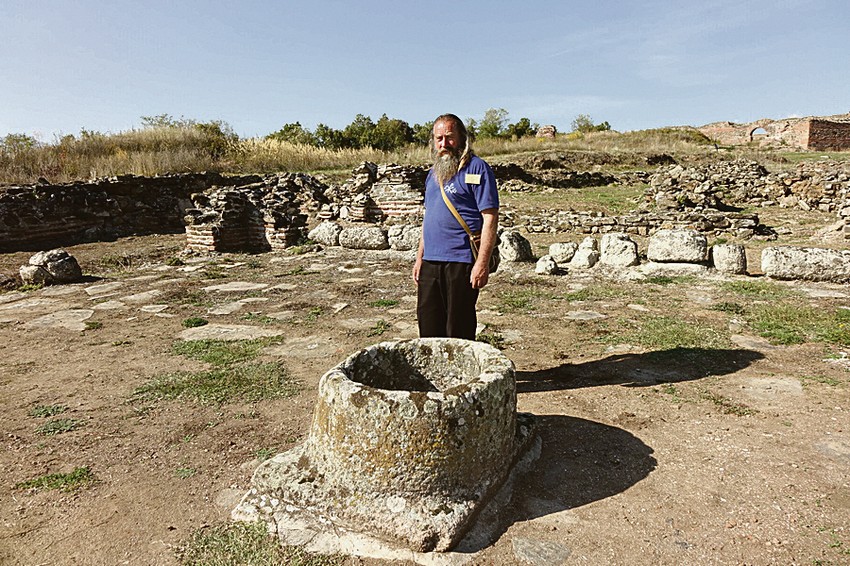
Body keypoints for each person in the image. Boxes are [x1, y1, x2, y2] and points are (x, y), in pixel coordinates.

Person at [412, 113, 499, 340]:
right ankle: (434, 374)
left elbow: (490, 217)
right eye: (439, 138)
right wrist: (420, 257)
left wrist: (482, 263)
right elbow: (428, 217)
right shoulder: (432, 175)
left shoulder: (478, 169)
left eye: (449, 137)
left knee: (458, 328)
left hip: (461, 261)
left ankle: (463, 376)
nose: (444, 144)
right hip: (431, 262)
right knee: (429, 326)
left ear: (462, 138)